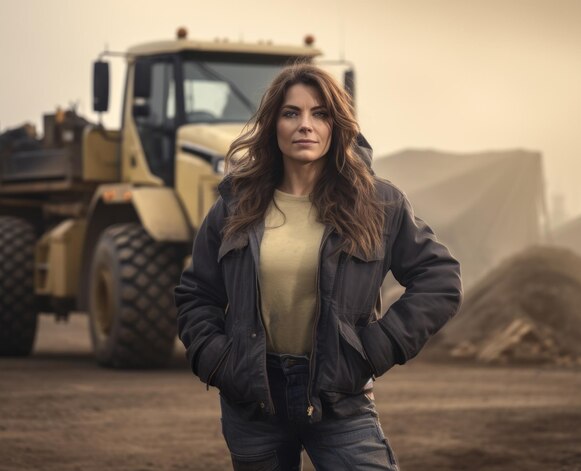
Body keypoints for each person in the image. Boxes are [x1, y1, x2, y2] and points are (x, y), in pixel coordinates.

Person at [174, 63, 463, 470]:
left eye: (320, 113)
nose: (304, 125)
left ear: (336, 125)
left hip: (339, 400)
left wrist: (374, 349)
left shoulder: (378, 203)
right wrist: (220, 362)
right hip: (254, 402)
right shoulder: (235, 205)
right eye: (291, 113)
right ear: (273, 123)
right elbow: (196, 294)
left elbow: (440, 279)